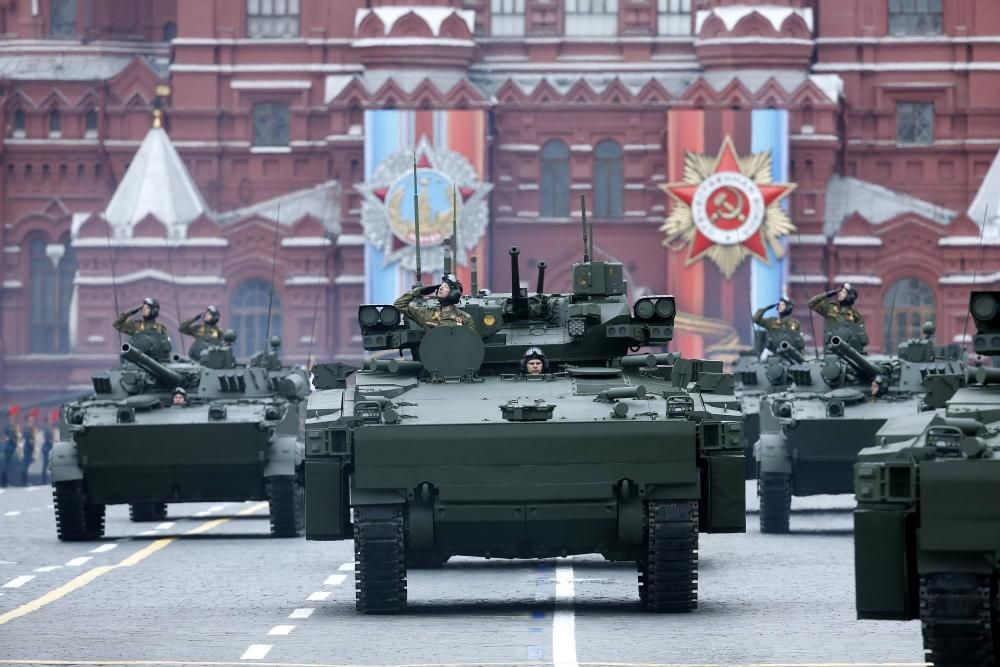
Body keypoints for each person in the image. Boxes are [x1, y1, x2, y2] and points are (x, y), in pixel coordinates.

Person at [393, 273, 475, 330]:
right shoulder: (427, 314)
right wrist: (420, 291)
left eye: (445, 286)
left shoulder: (465, 319)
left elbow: (469, 345)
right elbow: (399, 304)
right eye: (440, 286)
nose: (440, 288)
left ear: (453, 294)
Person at [807, 283, 869, 349]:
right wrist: (828, 294)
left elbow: (860, 336)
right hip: (831, 347)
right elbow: (811, 303)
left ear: (850, 296)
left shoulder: (855, 315)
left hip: (849, 349)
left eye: (843, 292)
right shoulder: (830, 307)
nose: (839, 293)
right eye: (840, 292)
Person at [1, 405, 19, 488]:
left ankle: (5, 483)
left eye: (14, 416)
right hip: (8, 448)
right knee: (6, 466)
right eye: (12, 416)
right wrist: (15, 440)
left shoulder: (13, 426)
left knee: (8, 466)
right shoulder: (9, 426)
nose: (14, 417)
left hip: (11, 448)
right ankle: (4, 483)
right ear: (9, 417)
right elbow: (10, 437)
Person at [19, 408, 36, 486]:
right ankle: (24, 482)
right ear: (28, 420)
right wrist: (31, 442)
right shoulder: (27, 428)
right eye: (31, 418)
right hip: (27, 449)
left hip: (29, 448)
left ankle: (25, 482)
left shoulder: (30, 428)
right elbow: (27, 438)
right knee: (25, 466)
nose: (32, 419)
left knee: (26, 465)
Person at [41, 409, 57, 485]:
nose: (52, 421)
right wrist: (52, 442)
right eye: (50, 419)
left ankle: (51, 480)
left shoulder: (50, 428)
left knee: (51, 465)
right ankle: (44, 481)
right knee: (45, 465)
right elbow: (47, 439)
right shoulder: (46, 428)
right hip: (46, 448)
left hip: (50, 448)